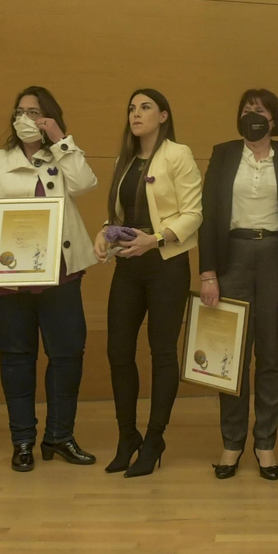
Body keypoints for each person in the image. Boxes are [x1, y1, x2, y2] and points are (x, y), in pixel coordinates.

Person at [0, 86, 98, 472]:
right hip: (8, 275)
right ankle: (22, 439)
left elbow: (85, 184)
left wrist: (60, 141)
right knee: (17, 357)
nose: (26, 118)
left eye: (35, 112)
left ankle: (59, 436)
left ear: (50, 117)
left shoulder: (63, 154)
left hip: (59, 272)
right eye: (20, 111)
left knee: (67, 354)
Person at [198, 89, 278, 481]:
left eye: (261, 111)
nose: (253, 116)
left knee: (270, 357)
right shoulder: (223, 154)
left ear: (274, 118)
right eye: (247, 110)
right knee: (229, 357)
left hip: (277, 261)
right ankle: (232, 443)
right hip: (231, 258)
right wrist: (208, 273)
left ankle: (265, 443)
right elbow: (209, 213)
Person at [96, 88, 202, 478]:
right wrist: (104, 231)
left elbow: (193, 213)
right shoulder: (126, 160)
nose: (135, 114)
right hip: (129, 264)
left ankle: (155, 437)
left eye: (145, 108)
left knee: (162, 353)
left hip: (166, 264)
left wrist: (154, 240)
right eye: (131, 108)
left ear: (163, 116)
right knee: (118, 351)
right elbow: (122, 214)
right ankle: (128, 437)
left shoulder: (179, 155)